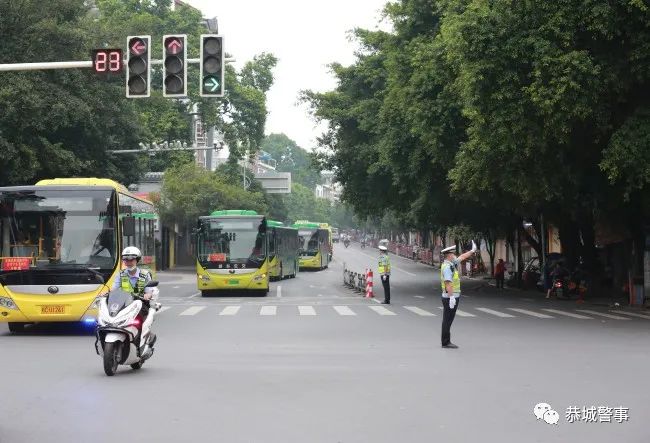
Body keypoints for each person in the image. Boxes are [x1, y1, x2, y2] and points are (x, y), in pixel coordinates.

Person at [111, 246, 159, 345]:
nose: (128, 262)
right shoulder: (120, 274)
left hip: (140, 304)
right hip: (124, 304)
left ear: (137, 260)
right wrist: (107, 294)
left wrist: (148, 295)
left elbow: (150, 290)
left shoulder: (145, 274)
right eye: (125, 260)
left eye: (131, 259)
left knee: (138, 322)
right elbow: (114, 289)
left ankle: (140, 342)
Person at [440, 241, 478, 349]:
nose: (455, 255)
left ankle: (446, 341)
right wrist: (451, 297)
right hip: (449, 297)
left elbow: (462, 257)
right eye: (453, 254)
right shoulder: (447, 267)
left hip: (451, 296)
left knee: (448, 319)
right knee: (448, 320)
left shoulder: (451, 264)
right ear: (449, 255)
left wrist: (472, 251)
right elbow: (448, 282)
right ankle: (446, 342)